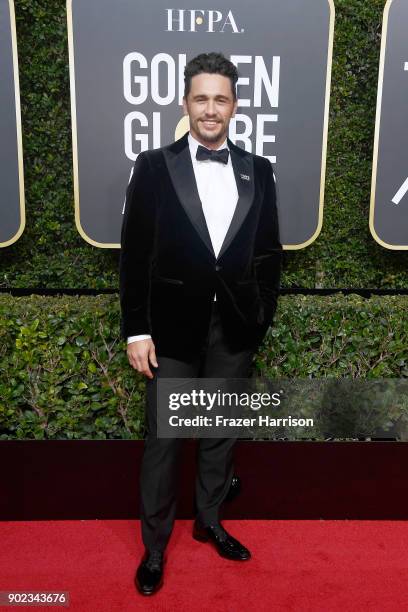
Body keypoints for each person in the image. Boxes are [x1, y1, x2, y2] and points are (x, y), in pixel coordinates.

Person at [119, 52, 282, 596]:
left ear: (235, 105)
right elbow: (135, 254)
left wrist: (258, 318)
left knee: (219, 435)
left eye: (220, 99)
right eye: (200, 98)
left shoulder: (257, 170)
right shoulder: (154, 165)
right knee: (164, 441)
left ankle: (209, 521)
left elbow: (266, 254)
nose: (210, 109)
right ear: (185, 103)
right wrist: (137, 330)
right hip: (172, 332)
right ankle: (155, 547)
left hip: (233, 329)